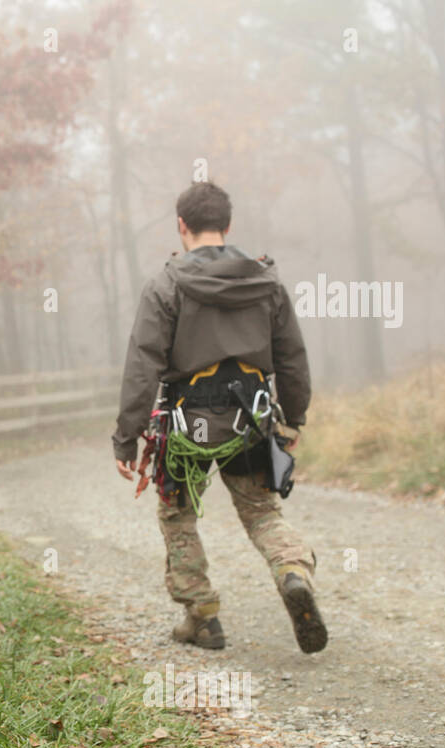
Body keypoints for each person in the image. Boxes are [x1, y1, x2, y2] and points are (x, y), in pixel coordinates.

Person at [112, 181, 327, 654]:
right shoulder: (266, 281)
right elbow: (292, 357)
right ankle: (292, 572)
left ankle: (202, 616)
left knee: (179, 515)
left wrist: (126, 439)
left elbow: (143, 363)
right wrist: (294, 418)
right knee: (262, 512)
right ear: (227, 227)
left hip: (187, 425)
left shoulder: (166, 284)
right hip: (252, 419)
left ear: (181, 226)